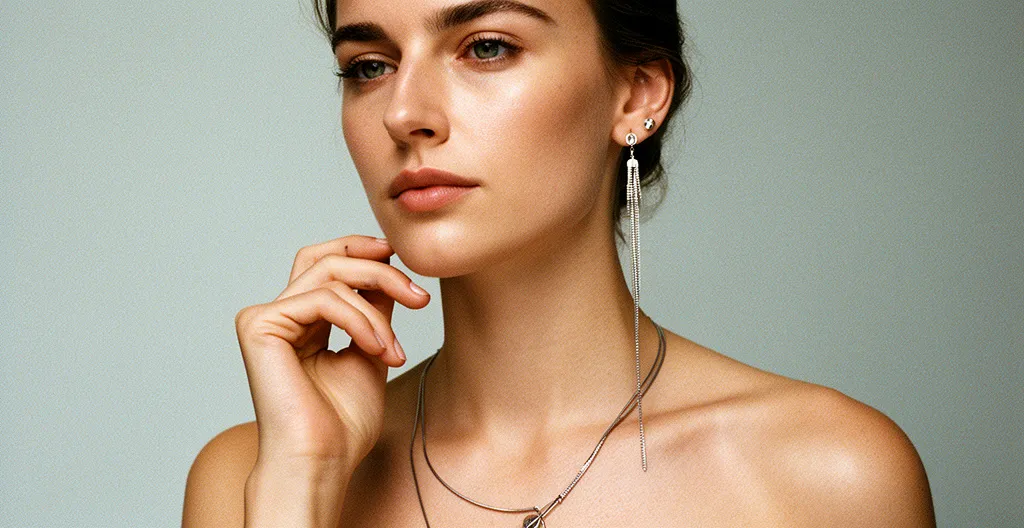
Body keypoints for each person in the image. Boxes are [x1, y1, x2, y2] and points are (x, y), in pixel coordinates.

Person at [182, 0, 936, 526]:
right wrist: (301, 488)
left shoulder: (829, 474)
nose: (404, 113)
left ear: (636, 93)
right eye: (369, 64)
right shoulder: (251, 478)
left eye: (486, 46)